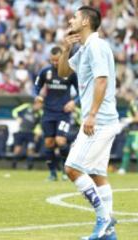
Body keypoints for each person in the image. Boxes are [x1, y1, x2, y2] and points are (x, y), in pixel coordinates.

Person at [57, 6, 118, 240]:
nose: (70, 19)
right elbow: (63, 73)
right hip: (102, 120)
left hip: (99, 120)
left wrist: (91, 114)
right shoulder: (84, 48)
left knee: (72, 168)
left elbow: (102, 81)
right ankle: (108, 233)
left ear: (84, 21)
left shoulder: (96, 46)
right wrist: (65, 49)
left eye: (74, 16)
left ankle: (104, 218)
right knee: (97, 175)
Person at [34, 46, 79, 181]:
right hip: (48, 112)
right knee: (49, 143)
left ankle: (66, 170)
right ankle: (52, 173)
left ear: (62, 58)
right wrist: (37, 97)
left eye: (57, 60)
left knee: (61, 141)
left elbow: (81, 92)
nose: (55, 63)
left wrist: (74, 102)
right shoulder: (45, 72)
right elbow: (36, 87)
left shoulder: (70, 73)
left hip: (63, 113)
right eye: (52, 60)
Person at [118, 88, 138, 174]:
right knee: (126, 150)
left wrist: (128, 120)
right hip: (131, 131)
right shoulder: (131, 104)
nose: (124, 96)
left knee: (137, 151)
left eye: (126, 94)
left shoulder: (134, 104)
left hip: (137, 132)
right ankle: (122, 169)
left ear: (131, 95)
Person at [11, 99, 42, 169]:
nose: (40, 106)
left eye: (41, 105)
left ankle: (30, 166)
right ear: (35, 103)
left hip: (31, 133)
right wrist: (17, 117)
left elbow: (39, 125)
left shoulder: (40, 113)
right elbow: (14, 111)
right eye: (39, 104)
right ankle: (14, 165)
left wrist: (37, 133)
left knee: (30, 149)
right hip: (21, 131)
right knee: (17, 149)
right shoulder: (26, 106)